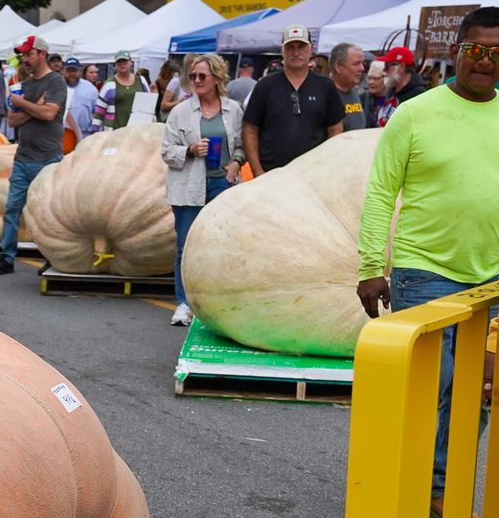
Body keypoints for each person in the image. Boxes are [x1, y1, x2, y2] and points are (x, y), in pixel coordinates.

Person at [357, 7, 499, 518]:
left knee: (478, 392)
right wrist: (372, 265)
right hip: (423, 271)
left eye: (497, 53)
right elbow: (379, 194)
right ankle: (407, 482)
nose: (485, 62)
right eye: (475, 50)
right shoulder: (415, 113)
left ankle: (440, 486)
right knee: (428, 387)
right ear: (455, 51)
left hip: (492, 279)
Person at [162, 53, 242, 328]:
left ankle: (217, 302)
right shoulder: (180, 111)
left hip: (223, 183)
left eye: (202, 76)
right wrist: (190, 150)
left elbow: (241, 145)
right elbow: (166, 151)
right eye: (192, 76)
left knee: (221, 245)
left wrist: (236, 163)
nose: (195, 80)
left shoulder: (233, 109)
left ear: (217, 78)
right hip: (188, 186)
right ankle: (184, 303)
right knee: (186, 246)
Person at [0, 35, 67, 276]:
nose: (25, 59)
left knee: (47, 212)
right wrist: (34, 107)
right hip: (24, 157)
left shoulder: (56, 82)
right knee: (12, 208)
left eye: (29, 54)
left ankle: (52, 256)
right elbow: (12, 119)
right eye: (22, 55)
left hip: (48, 157)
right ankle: (6, 256)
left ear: (42, 54)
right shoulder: (24, 85)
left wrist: (24, 104)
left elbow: (50, 114)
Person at [243, 25, 342, 177]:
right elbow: (250, 129)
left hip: (314, 175)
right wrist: (258, 171)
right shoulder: (265, 85)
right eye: (290, 47)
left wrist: (329, 166)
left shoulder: (325, 86)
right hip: (272, 176)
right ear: (282, 50)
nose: (296, 53)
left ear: (311, 49)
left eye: (301, 47)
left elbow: (335, 129)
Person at [373, 46, 423, 127]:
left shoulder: (419, 95)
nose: (384, 70)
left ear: (402, 67)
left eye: (387, 66)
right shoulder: (392, 91)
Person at [327, 42, 368, 133]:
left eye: (362, 63)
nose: (362, 68)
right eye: (356, 64)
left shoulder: (353, 90)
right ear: (338, 67)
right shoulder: (325, 94)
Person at [97, 51, 144, 128]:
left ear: (131, 62)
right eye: (119, 63)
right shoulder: (109, 84)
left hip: (137, 128)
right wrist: (95, 128)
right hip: (115, 129)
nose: (122, 65)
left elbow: (148, 103)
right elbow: (100, 109)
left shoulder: (141, 80)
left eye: (125, 62)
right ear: (115, 65)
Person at [61, 57, 98, 136]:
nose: (72, 74)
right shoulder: (57, 86)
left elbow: (98, 112)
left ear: (80, 71)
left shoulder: (90, 88)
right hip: (63, 135)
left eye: (74, 70)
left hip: (85, 135)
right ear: (63, 71)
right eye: (69, 71)